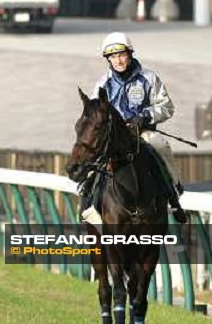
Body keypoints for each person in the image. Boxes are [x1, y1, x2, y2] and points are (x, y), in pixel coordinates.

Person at [80, 31, 187, 225]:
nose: (118, 60)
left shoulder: (149, 78)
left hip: (142, 132)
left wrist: (144, 116)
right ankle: (87, 202)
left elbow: (167, 107)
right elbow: (95, 114)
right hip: (113, 137)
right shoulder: (102, 84)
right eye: (113, 57)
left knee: (159, 143)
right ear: (108, 60)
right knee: (91, 155)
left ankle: (174, 195)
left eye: (121, 55)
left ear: (129, 54)